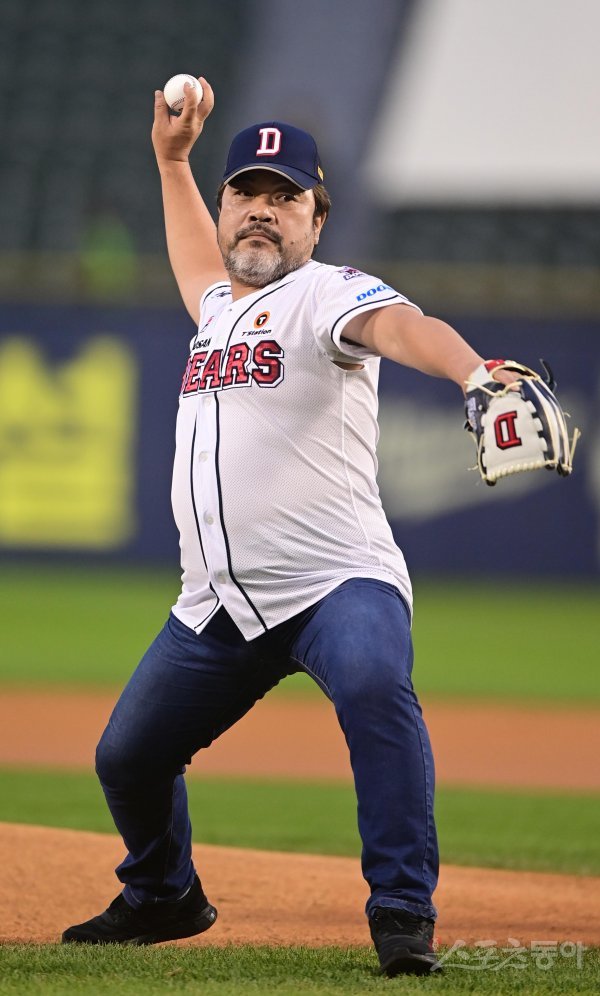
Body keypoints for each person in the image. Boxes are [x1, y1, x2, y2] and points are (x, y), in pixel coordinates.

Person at [62, 78, 509, 977]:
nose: (262, 210)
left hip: (336, 583)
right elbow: (195, 258)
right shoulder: (216, 307)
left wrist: (476, 374)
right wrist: (174, 162)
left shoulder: (327, 293)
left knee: (375, 686)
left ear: (317, 219)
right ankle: (164, 894)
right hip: (217, 605)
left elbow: (404, 325)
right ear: (225, 210)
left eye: (286, 196)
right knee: (127, 758)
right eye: (247, 194)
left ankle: (401, 913)